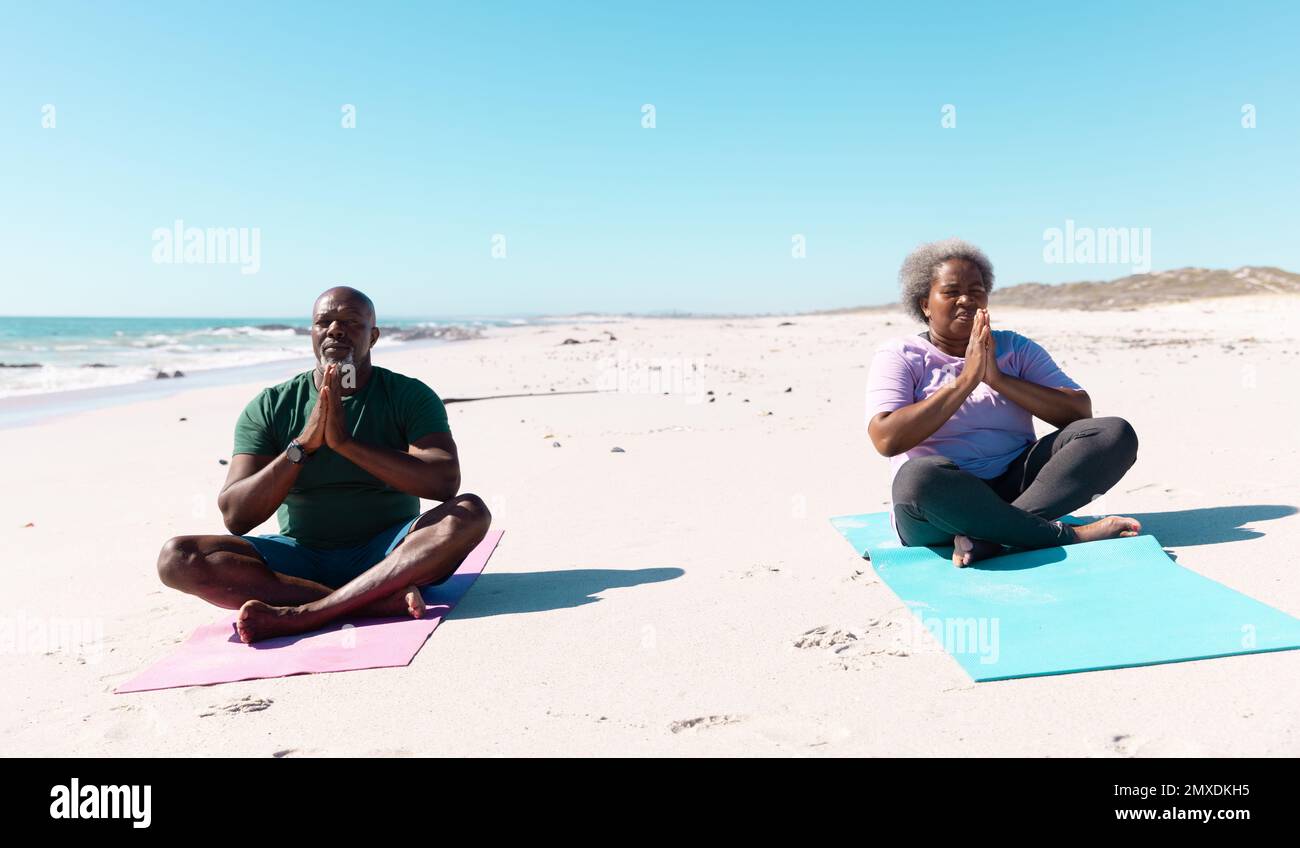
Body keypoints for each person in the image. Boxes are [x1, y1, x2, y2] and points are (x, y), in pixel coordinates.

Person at [156, 286, 491, 642]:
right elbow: (237, 516)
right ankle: (370, 602)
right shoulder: (272, 405)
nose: (335, 330)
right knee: (178, 558)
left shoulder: (408, 395)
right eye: (324, 322)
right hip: (299, 557)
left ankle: (306, 613)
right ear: (312, 334)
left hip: (393, 551)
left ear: (373, 336)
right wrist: (301, 447)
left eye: (350, 322)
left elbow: (443, 483)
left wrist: (346, 444)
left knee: (470, 512)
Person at [865, 238, 1141, 567]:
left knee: (1113, 433)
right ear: (925, 303)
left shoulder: (1015, 348)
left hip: (1019, 489)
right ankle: (1067, 536)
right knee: (918, 477)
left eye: (976, 290)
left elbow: (1079, 413)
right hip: (943, 504)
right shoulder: (900, 356)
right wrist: (967, 380)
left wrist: (997, 378)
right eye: (951, 292)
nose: (966, 300)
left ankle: (994, 537)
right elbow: (887, 438)